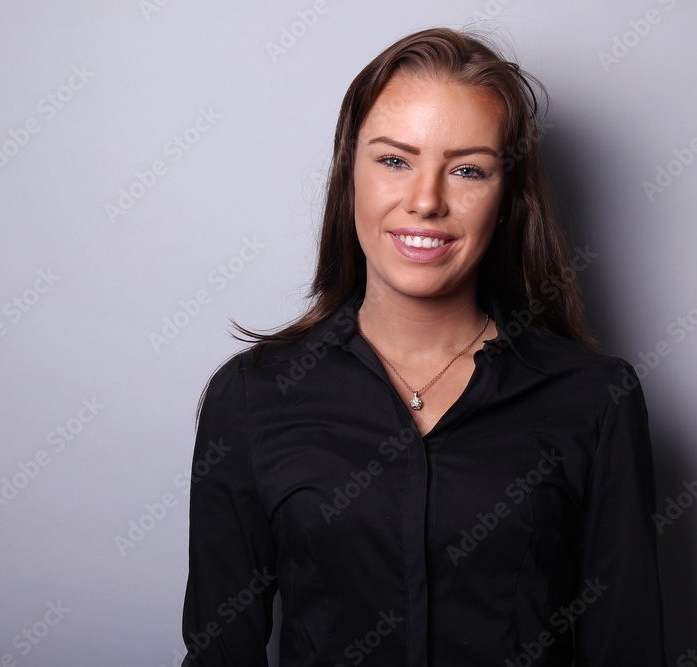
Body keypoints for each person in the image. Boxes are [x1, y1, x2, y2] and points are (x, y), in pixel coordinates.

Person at [180, 27, 667, 667]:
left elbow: (626, 648)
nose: (427, 201)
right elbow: (220, 654)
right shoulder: (252, 397)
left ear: (507, 199)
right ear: (349, 175)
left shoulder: (596, 401)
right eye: (394, 161)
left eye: (467, 170)